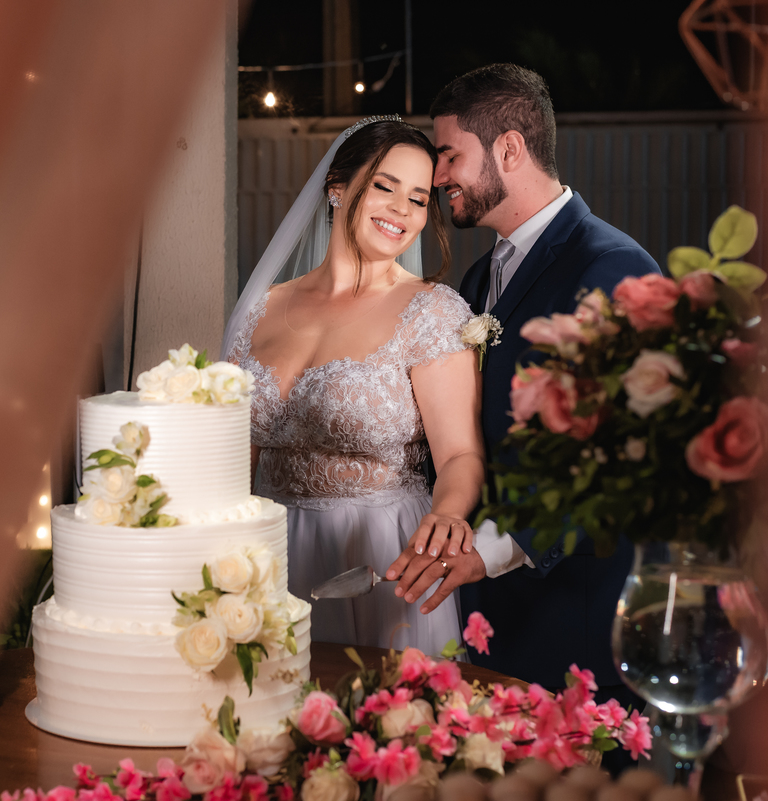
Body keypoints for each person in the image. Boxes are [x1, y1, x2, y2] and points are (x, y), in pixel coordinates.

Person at [384, 64, 661, 746]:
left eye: (450, 154)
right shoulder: (481, 276)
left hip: (571, 626)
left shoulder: (614, 269)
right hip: (484, 619)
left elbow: (613, 462)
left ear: (509, 149)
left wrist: (487, 551)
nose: (439, 173)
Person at [222, 117, 484, 654]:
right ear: (337, 188)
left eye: (417, 198)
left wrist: (449, 514)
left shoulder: (430, 312)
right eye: (385, 186)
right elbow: (232, 451)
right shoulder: (260, 308)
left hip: (377, 553)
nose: (400, 211)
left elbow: (460, 453)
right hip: (266, 551)